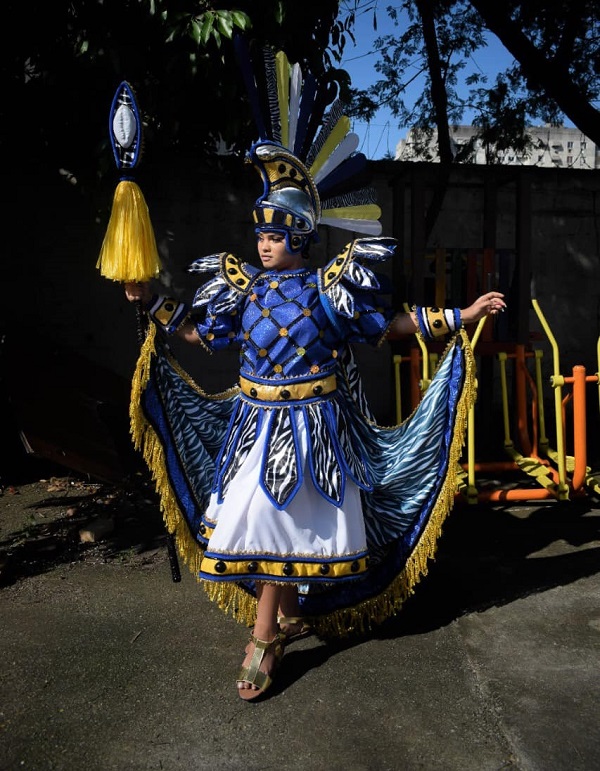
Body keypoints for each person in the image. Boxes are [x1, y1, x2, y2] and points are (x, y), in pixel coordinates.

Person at [124, 189, 505, 699]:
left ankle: (264, 638)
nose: (263, 245)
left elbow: (389, 326)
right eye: (260, 234)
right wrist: (151, 299)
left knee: (274, 524)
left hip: (314, 435)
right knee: (260, 522)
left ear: (299, 238)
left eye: (275, 236)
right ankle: (291, 616)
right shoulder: (245, 289)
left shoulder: (331, 288)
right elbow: (198, 335)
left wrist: (462, 314)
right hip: (251, 428)